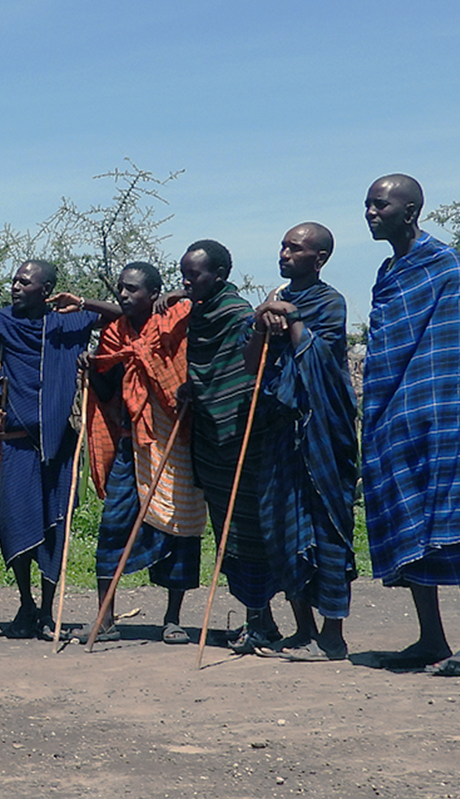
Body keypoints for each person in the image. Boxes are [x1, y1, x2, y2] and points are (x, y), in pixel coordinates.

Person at [362, 175, 460, 676]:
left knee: (458, 516)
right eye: (367, 205)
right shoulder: (388, 273)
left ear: (410, 212)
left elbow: (448, 343)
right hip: (393, 410)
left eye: (380, 205)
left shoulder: (441, 262)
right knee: (407, 514)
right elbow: (387, 345)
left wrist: (431, 402)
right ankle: (430, 636)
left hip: (444, 409)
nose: (370, 213)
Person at [242, 223, 359, 662]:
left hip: (320, 434)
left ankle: (332, 636)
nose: (285, 253)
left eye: (295, 248)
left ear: (319, 258)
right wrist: (260, 321)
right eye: (283, 246)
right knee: (281, 526)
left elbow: (320, 362)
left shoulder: (329, 302)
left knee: (327, 526)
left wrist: (291, 318)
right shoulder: (274, 300)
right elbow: (251, 365)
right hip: (278, 434)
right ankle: (302, 630)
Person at [0, 261, 110, 639]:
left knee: (56, 526)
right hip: (16, 442)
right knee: (15, 522)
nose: (15, 285)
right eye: (14, 280)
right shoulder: (0, 322)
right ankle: (25, 604)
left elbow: (129, 311)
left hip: (60, 444)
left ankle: (48, 611)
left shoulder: (70, 322)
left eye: (25, 281)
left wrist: (82, 300)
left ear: (47, 288)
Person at [86, 262, 205, 645]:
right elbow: (106, 394)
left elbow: (201, 307)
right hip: (130, 444)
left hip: (176, 440)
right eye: (121, 288)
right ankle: (105, 617)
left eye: (133, 289)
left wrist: (183, 294)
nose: (123, 295)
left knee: (180, 525)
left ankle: (173, 618)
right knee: (112, 527)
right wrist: (91, 371)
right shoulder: (113, 336)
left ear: (154, 295)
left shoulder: (176, 325)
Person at [181, 239, 279, 652]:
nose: (185, 282)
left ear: (219, 276)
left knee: (251, 530)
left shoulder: (238, 315)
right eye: (181, 274)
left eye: (193, 275)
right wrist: (192, 389)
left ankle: (262, 619)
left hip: (242, 437)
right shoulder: (198, 314)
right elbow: (201, 369)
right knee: (226, 534)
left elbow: (247, 369)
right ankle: (261, 620)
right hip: (209, 441)